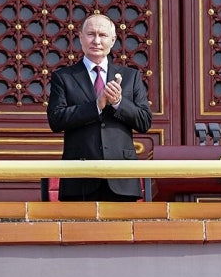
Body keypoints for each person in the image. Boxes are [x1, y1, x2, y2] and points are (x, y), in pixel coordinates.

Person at [47, 14, 152, 201]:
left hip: (121, 176)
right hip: (80, 175)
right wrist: (96, 105)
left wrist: (119, 102)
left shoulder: (130, 76)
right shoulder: (64, 77)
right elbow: (56, 119)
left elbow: (144, 121)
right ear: (80, 38)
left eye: (103, 35)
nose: (96, 41)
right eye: (91, 34)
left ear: (112, 41)